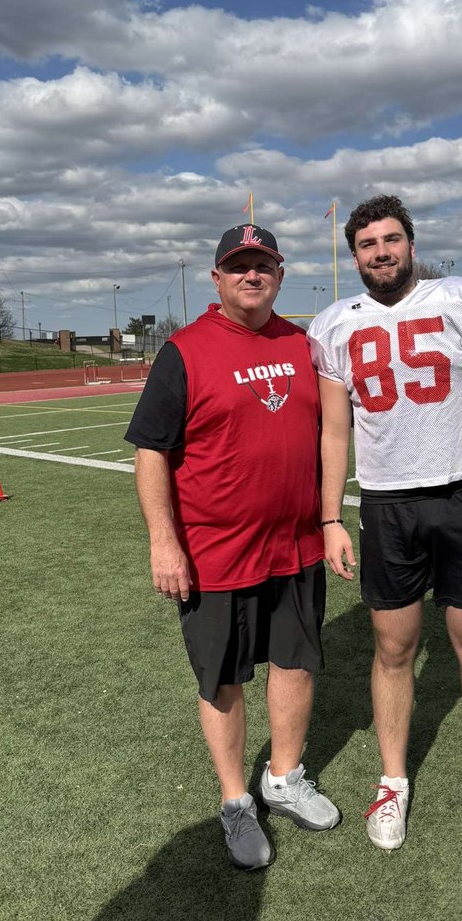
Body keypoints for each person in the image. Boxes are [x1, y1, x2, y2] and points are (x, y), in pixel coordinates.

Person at [307, 195, 462, 854]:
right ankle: (392, 783)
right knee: (393, 649)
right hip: (386, 505)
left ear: (411, 245)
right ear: (354, 256)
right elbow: (333, 432)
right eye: (367, 244)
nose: (380, 252)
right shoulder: (334, 325)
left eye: (390, 240)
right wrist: (329, 517)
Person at [125, 223, 340, 871]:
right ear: (217, 278)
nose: (252, 275)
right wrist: (164, 542)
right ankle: (235, 801)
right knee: (222, 677)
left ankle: (283, 776)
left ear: (279, 275)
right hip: (215, 554)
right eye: (239, 265)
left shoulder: (303, 345)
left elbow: (331, 433)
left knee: (295, 664)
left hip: (296, 545)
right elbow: (151, 452)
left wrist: (329, 521)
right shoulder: (185, 351)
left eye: (263, 265)